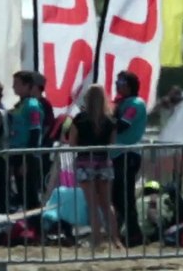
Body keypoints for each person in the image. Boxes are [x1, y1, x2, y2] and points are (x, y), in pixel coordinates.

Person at [69, 84, 123, 250]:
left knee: (92, 204)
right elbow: (112, 144)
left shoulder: (79, 119)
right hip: (104, 162)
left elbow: (72, 143)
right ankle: (115, 240)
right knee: (107, 203)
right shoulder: (110, 121)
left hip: (85, 162)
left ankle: (97, 240)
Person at [0, 71, 45, 213]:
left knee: (30, 195)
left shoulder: (32, 105)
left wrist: (27, 159)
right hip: (16, 153)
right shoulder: (20, 105)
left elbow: (35, 132)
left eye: (17, 83)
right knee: (22, 194)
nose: (13, 86)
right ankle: (27, 228)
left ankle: (36, 229)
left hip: (27, 155)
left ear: (27, 85)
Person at [111, 70, 148, 245]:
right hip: (116, 155)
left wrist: (104, 120)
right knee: (116, 196)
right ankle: (119, 231)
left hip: (127, 155)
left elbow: (123, 125)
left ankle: (134, 234)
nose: (117, 85)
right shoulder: (120, 103)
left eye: (121, 82)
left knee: (125, 196)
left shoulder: (136, 104)